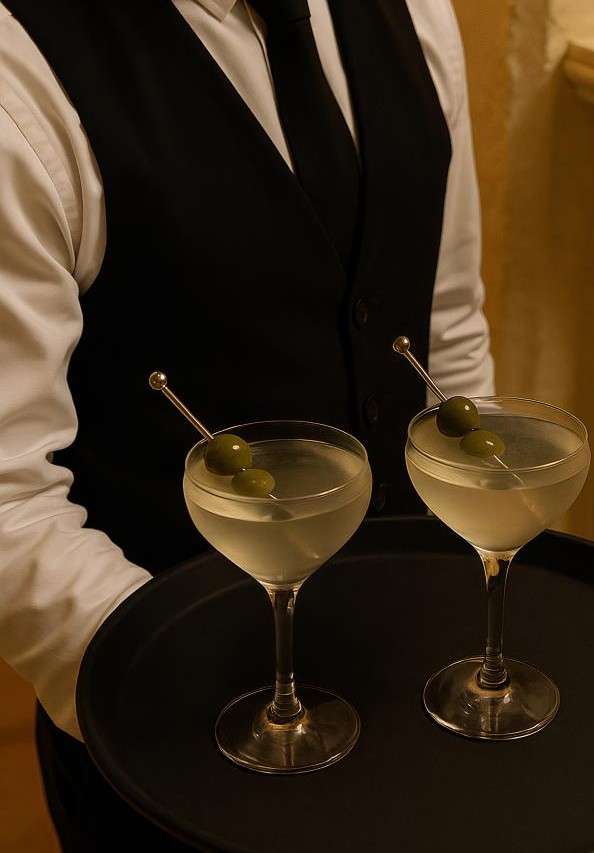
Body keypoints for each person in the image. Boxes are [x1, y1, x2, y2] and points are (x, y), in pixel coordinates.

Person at [0, 0, 494, 848]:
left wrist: (466, 583)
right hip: (176, 747)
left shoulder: (418, 15)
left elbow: (442, 327)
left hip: (410, 688)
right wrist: (198, 710)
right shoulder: (19, 68)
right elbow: (8, 500)